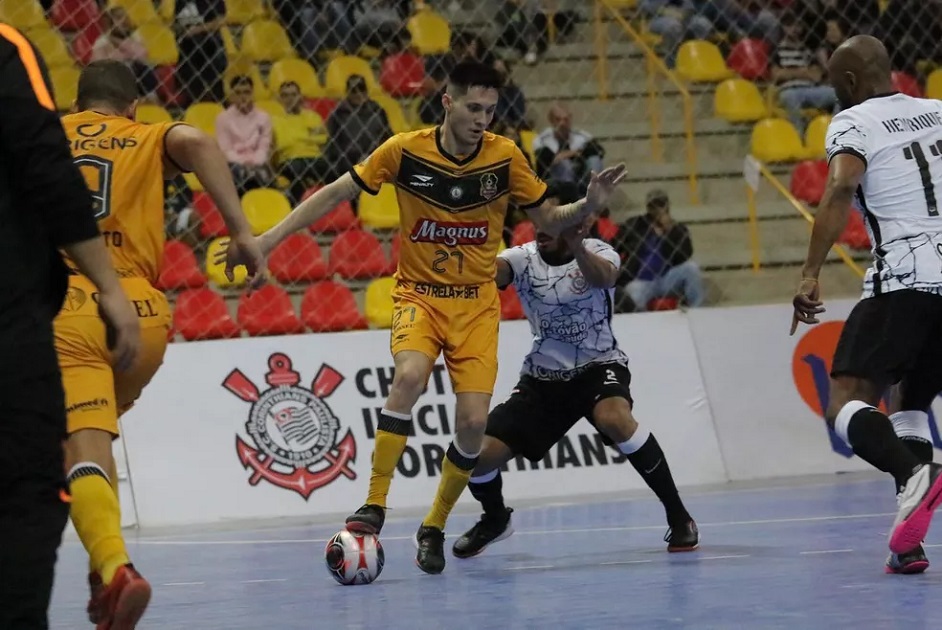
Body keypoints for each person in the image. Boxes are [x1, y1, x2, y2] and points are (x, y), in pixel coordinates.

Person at [254, 60, 626, 574]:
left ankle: (433, 526)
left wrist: (587, 204)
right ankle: (374, 504)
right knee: (409, 376)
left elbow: (548, 218)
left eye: (490, 110)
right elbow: (338, 192)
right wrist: (268, 239)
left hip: (476, 304)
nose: (482, 119)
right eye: (473, 108)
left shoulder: (504, 157)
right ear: (448, 103)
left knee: (472, 423)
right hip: (420, 296)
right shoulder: (404, 150)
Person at [59, 60, 264, 627]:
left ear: (76, 104)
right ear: (132, 107)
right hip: (143, 318)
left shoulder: (49, 134)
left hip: (71, 305)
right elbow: (198, 142)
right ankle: (102, 576)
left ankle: (115, 569)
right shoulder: (147, 135)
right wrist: (240, 231)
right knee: (91, 441)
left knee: (78, 448)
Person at [452, 212, 699, 559]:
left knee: (615, 419)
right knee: (474, 457)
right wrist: (465, 244)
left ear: (576, 228)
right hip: (544, 380)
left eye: (552, 223)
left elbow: (604, 278)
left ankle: (678, 514)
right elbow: (495, 271)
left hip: (599, 367)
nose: (541, 229)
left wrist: (578, 248)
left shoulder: (599, 251)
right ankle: (495, 519)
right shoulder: (522, 257)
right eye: (539, 221)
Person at [0, 28, 141, 630]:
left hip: (50, 314)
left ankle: (111, 567)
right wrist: (110, 285)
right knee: (32, 484)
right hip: (32, 306)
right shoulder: (7, 48)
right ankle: (110, 566)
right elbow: (51, 173)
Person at [791, 35, 942, 575]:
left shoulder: (852, 122)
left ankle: (915, 474)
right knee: (909, 401)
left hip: (904, 277)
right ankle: (908, 544)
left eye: (835, 84)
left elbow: (839, 190)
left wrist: (810, 272)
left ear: (850, 82)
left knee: (844, 404)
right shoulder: (937, 111)